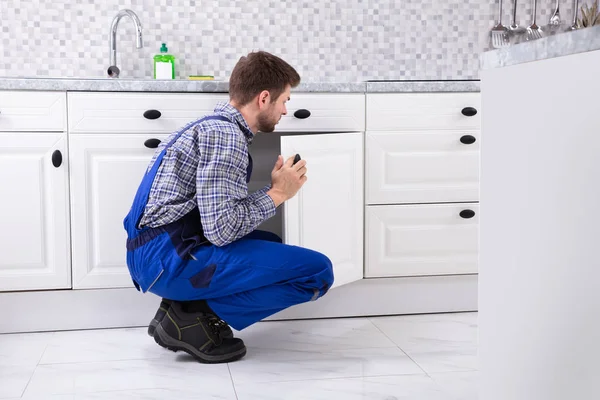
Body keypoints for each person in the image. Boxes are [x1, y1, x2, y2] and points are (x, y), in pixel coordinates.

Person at [123, 51, 334, 364]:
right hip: (167, 260)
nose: (285, 110)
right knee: (317, 272)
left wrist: (273, 190)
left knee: (269, 244)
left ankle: (180, 307)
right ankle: (191, 319)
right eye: (284, 100)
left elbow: (219, 217)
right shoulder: (225, 137)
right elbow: (222, 231)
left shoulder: (209, 127)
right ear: (264, 98)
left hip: (157, 254)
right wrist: (278, 193)